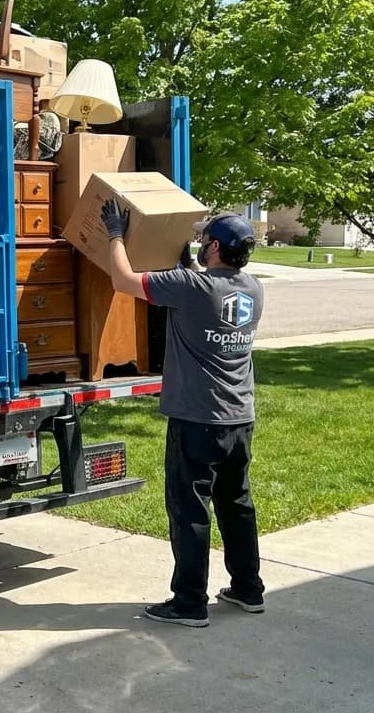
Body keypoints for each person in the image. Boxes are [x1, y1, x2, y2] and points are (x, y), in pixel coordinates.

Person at [100, 200, 266, 628]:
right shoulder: (252, 288)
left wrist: (116, 233)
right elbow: (204, 276)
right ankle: (248, 589)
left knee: (190, 508)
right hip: (239, 416)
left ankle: (189, 602)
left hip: (197, 418)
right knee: (236, 502)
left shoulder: (191, 288)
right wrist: (191, 257)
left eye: (204, 240)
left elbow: (122, 280)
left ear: (213, 248)